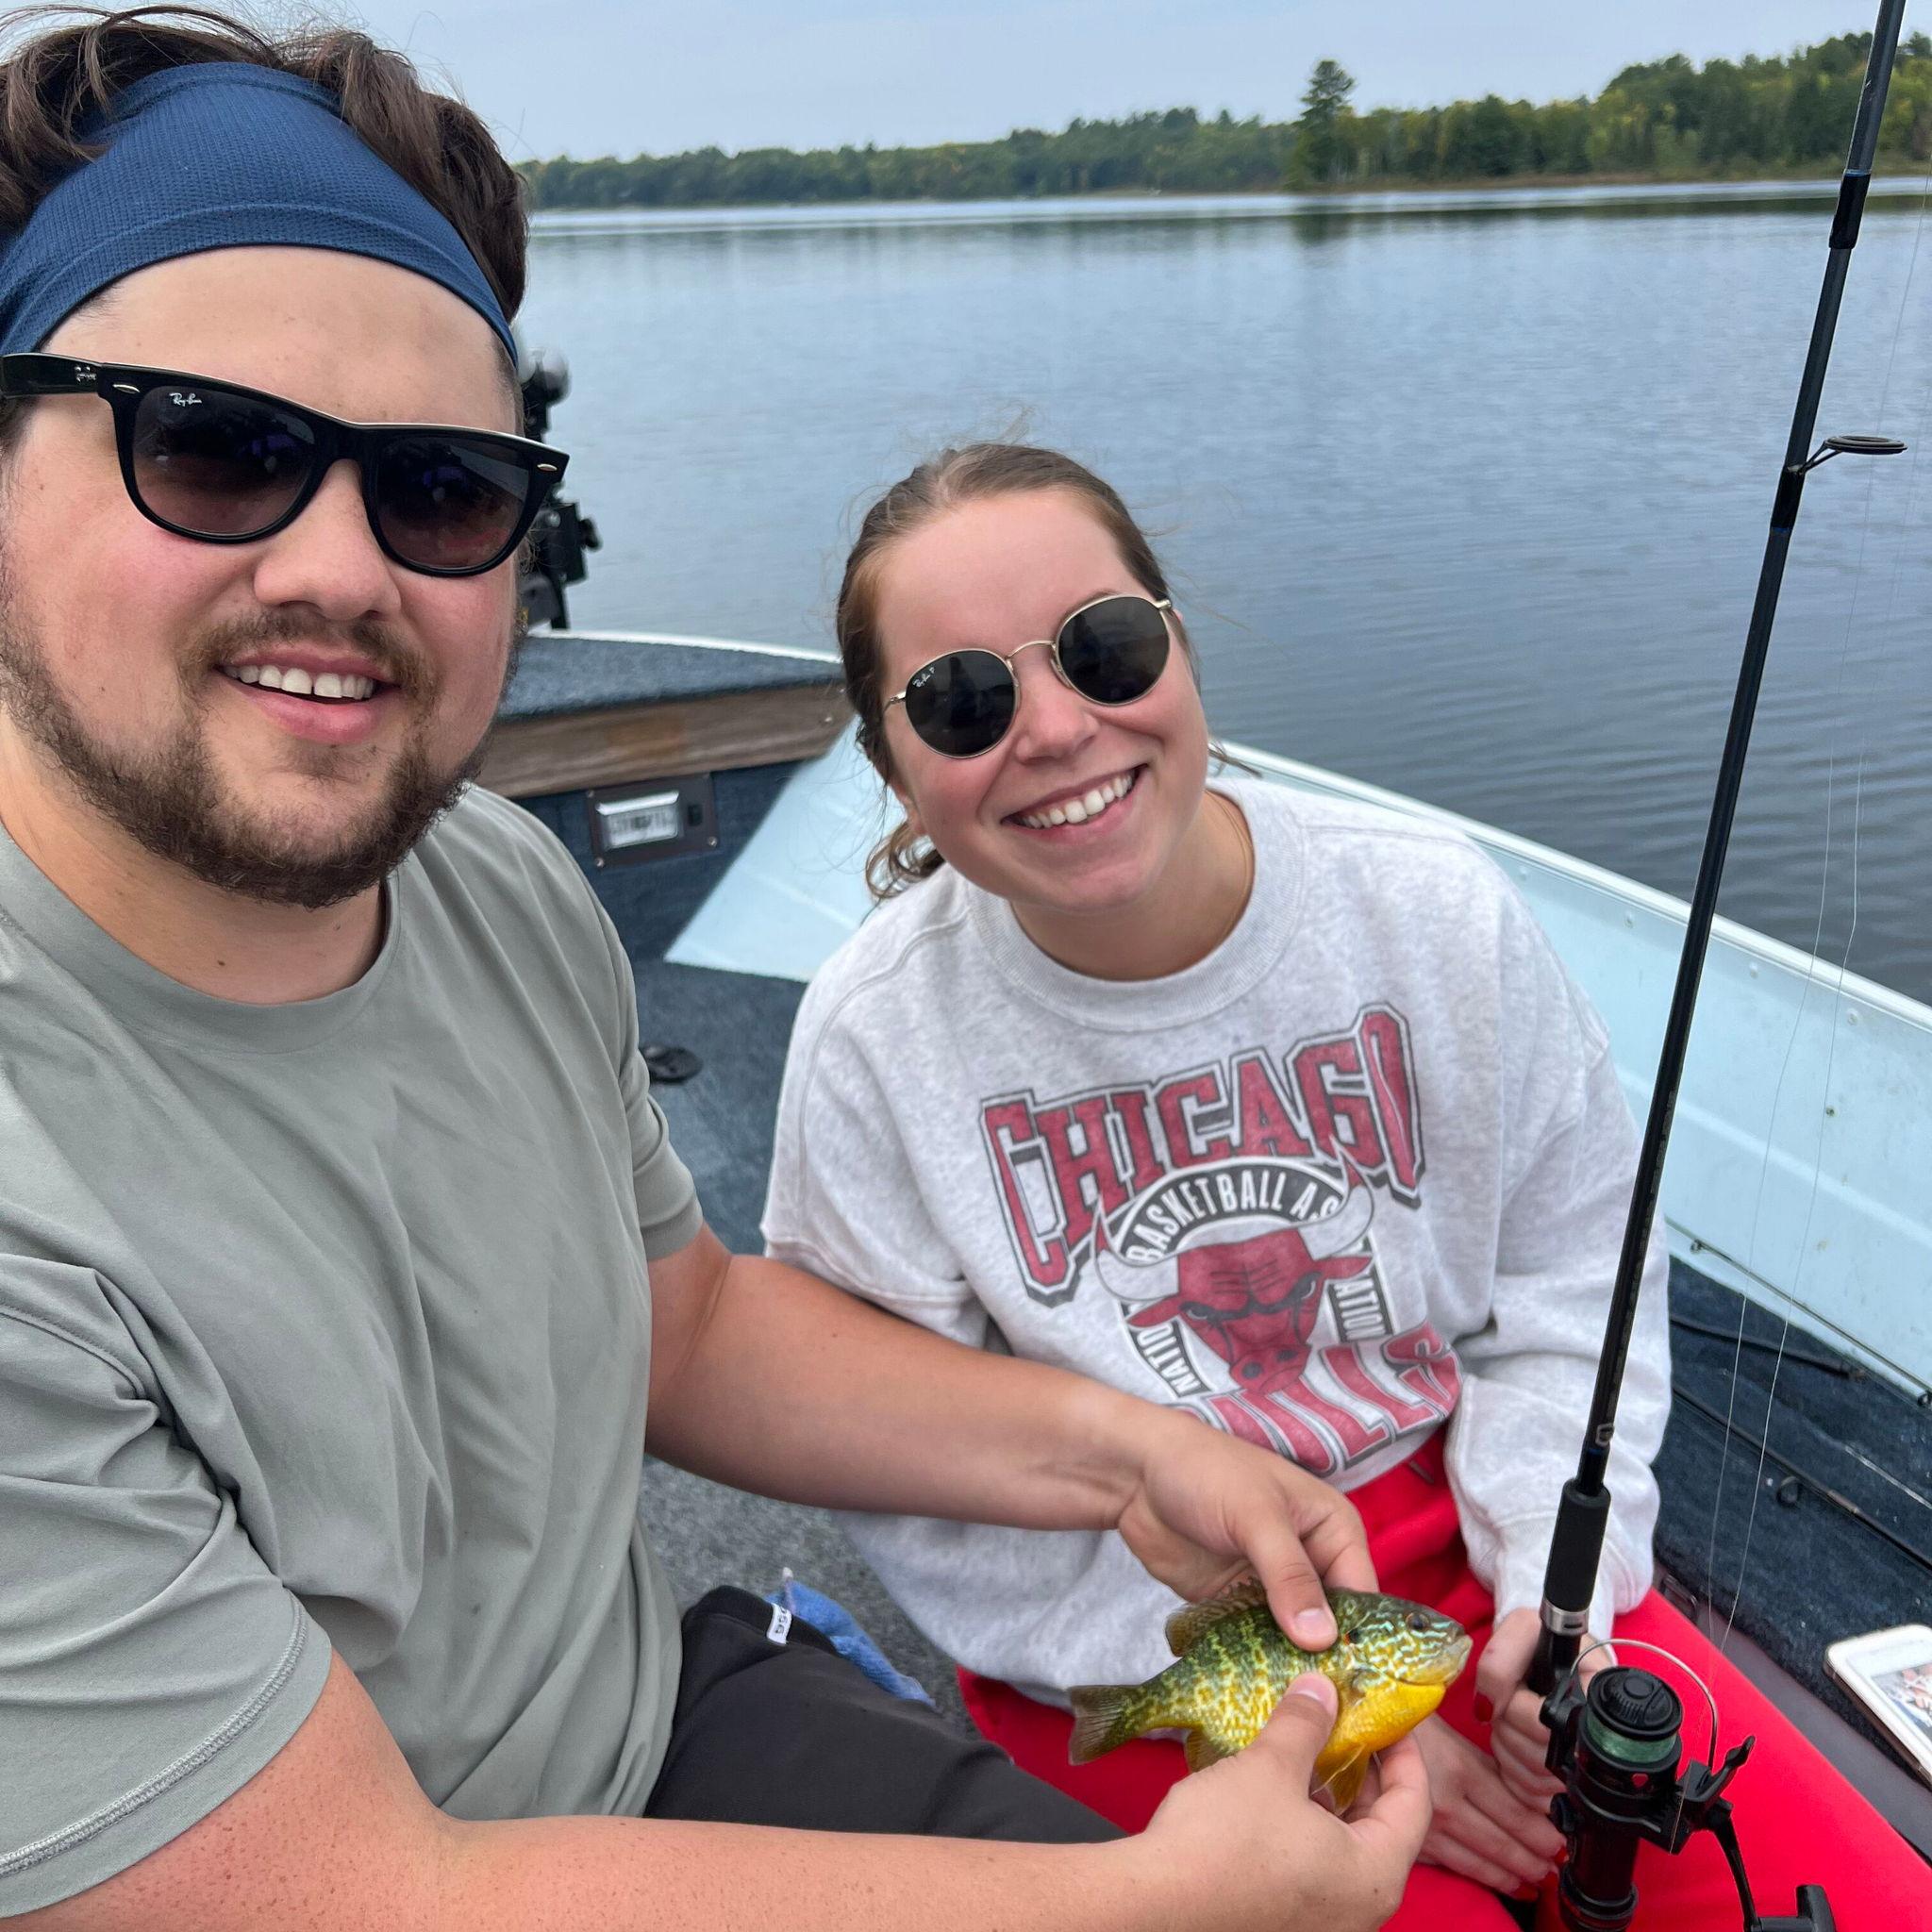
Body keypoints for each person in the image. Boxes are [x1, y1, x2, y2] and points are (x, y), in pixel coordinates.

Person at [0, 12, 1434, 1928]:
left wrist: (1128, 1456)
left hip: (647, 1724)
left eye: (439, 487)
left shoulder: (492, 881)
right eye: (213, 446)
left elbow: (682, 1332)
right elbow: (352, 1891)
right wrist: (1156, 1906)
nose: (339, 571)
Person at [762, 442, 1932, 1925]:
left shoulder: (1433, 912)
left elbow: (1567, 1294)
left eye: (1104, 649)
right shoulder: (876, 1041)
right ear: (890, 764)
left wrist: (1549, 1604)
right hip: (1148, 1650)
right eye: (962, 701)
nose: (1055, 729)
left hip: (1482, 1550)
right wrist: (1319, 1720)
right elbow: (915, 1478)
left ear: (1182, 649)